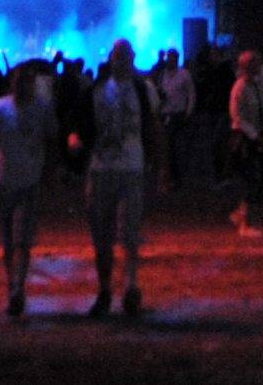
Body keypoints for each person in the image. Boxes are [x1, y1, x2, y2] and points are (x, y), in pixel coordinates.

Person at [79, 39, 155, 320]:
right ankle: (105, 289)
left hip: (131, 167)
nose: (121, 60)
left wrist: (160, 166)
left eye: (125, 55)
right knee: (103, 235)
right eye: (117, 55)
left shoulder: (142, 90)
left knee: (130, 232)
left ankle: (130, 286)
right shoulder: (96, 91)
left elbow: (152, 126)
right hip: (102, 168)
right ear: (111, 58)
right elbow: (82, 125)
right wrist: (76, 142)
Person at [0, 58, 53, 317]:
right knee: (9, 241)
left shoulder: (42, 108)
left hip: (29, 183)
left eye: (28, 81)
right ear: (13, 83)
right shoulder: (0, 108)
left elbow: (51, 137)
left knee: (22, 240)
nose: (24, 86)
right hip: (4, 181)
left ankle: (18, 289)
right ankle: (13, 283)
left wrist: (49, 171)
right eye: (20, 81)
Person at [226, 48, 263, 235]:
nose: (259, 66)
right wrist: (255, 135)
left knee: (261, 178)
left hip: (256, 137)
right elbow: (237, 116)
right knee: (250, 179)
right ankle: (244, 222)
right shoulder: (240, 87)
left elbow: (260, 112)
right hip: (245, 139)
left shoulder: (255, 85)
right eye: (255, 63)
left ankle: (240, 214)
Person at [154, 46, 196, 187]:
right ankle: (172, 176)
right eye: (169, 58)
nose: (170, 60)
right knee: (168, 145)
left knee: (175, 145)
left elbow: (191, 94)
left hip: (179, 113)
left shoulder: (184, 74)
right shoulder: (163, 75)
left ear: (177, 59)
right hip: (166, 113)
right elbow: (159, 92)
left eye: (172, 58)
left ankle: (177, 176)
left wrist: (188, 111)